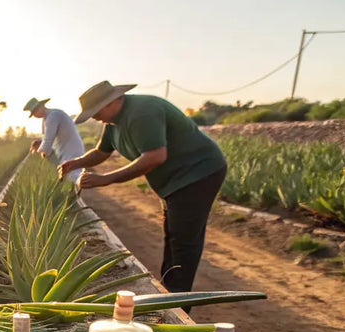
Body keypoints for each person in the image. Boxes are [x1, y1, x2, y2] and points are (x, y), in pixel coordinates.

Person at [58, 81, 228, 295]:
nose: (95, 118)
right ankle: (170, 292)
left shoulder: (142, 113)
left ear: (111, 102)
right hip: (173, 181)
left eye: (96, 112)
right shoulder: (112, 122)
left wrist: (107, 179)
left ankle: (178, 299)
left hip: (197, 173)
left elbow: (155, 157)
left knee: (183, 240)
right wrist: (75, 163)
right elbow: (101, 153)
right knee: (173, 234)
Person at [24, 97, 85, 181]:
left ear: (41, 106)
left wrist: (42, 152)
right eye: (33, 113)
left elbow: (48, 138)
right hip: (65, 149)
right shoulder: (47, 117)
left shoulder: (53, 116)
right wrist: (40, 143)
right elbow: (47, 136)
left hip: (71, 150)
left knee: (74, 176)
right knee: (69, 176)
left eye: (35, 111)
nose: (35, 115)